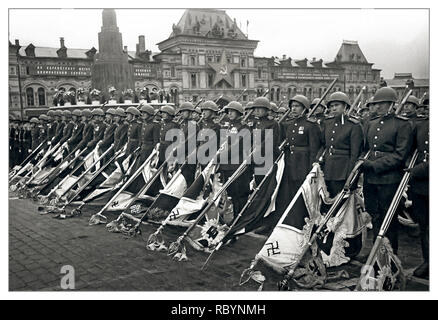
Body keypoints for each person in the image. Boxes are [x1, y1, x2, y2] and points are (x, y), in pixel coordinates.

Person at [360, 87, 413, 254]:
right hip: (370, 178)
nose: (378, 107)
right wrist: (363, 162)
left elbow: (400, 154)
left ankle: (389, 256)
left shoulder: (402, 124)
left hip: (389, 178)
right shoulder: (371, 123)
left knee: (388, 218)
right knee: (374, 215)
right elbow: (365, 148)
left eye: (382, 103)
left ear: (392, 104)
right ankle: (377, 252)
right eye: (376, 104)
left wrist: (375, 165)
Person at [275, 95, 321, 214]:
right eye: (292, 106)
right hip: (290, 161)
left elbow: (314, 147)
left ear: (304, 108)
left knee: (302, 189)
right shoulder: (289, 124)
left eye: (297, 106)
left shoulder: (311, 125)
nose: (293, 109)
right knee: (289, 190)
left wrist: (311, 166)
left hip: (303, 162)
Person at [319, 92, 364, 198]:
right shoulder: (327, 122)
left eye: (337, 105)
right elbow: (323, 145)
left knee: (341, 200)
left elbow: (355, 152)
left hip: (343, 169)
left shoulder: (354, 125)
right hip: (328, 167)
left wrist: (350, 173)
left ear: (345, 107)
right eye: (331, 106)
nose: (333, 108)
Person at [219, 101, 252, 218]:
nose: (230, 113)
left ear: (239, 113)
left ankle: (240, 217)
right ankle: (234, 216)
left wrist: (221, 157)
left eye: (232, 111)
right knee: (232, 193)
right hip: (228, 165)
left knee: (240, 193)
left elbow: (238, 147)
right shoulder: (230, 126)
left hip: (238, 163)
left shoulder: (244, 127)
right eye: (229, 111)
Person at [408, 113, 429, 279]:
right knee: (425, 225)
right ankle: (428, 260)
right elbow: (411, 149)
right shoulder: (422, 125)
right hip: (421, 185)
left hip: (423, 174)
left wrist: (416, 170)